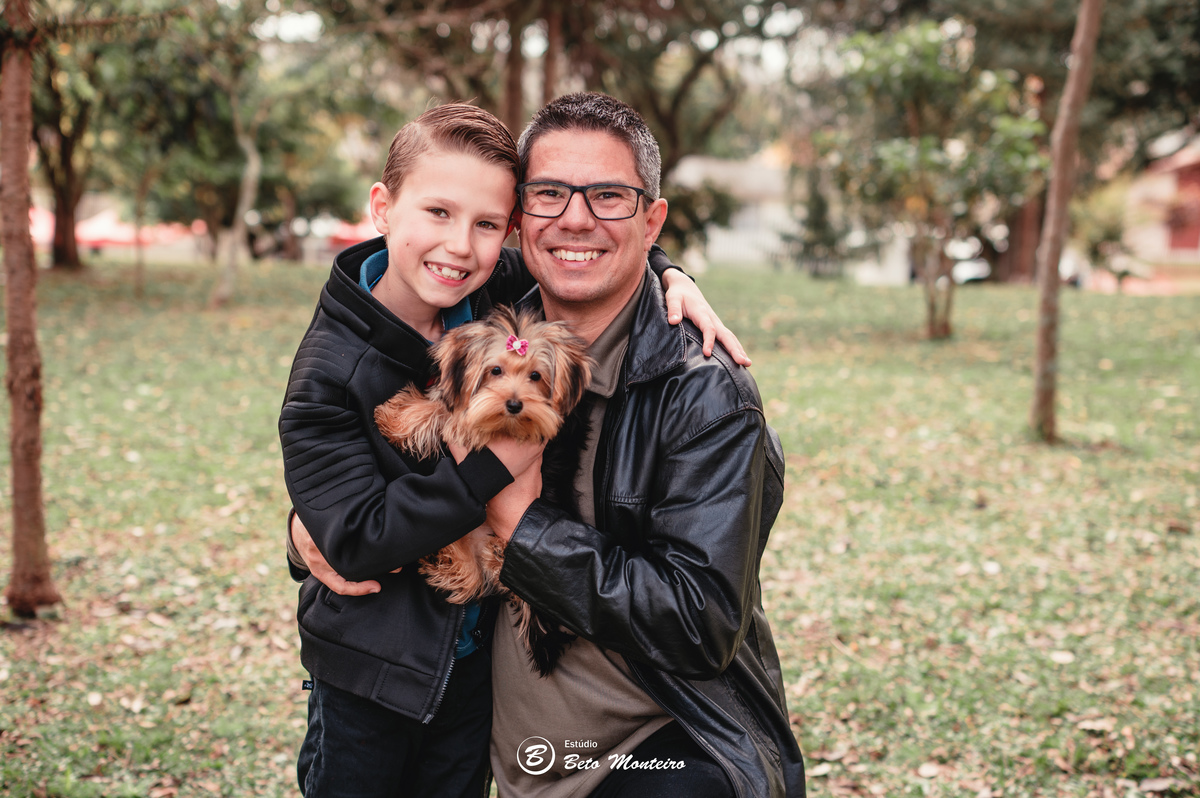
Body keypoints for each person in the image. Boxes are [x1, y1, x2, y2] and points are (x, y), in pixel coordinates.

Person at [279, 101, 747, 798]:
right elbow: (349, 527)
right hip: (373, 677)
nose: (461, 246)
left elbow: (595, 235)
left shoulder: (494, 293)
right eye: (437, 213)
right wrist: (494, 472)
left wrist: (670, 274)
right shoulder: (331, 371)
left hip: (473, 677)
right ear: (382, 207)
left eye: (487, 225)